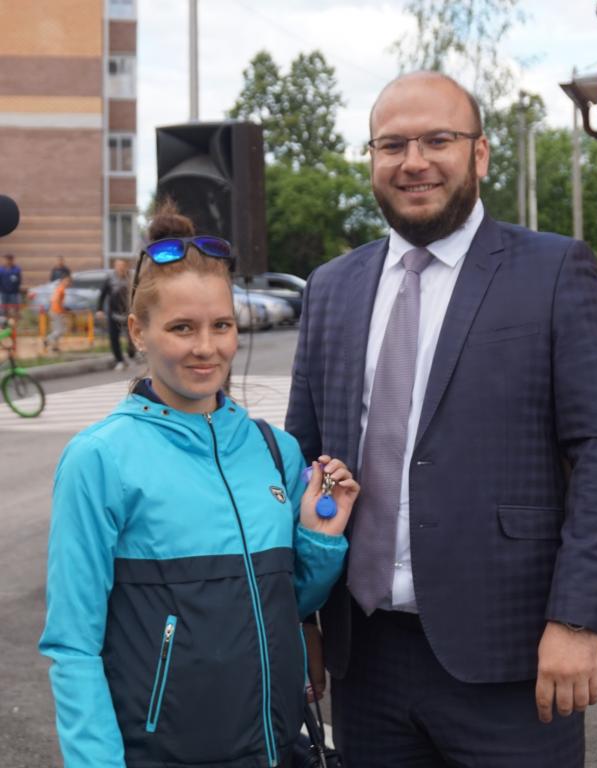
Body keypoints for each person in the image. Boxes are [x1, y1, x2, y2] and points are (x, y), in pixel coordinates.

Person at [285, 71, 597, 767]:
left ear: (479, 154)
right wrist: (297, 614)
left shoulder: (553, 272)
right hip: (364, 660)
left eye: (437, 140)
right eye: (392, 145)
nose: (413, 161)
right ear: (372, 158)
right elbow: (301, 459)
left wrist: (578, 618)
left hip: (512, 658)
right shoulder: (331, 287)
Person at [39, 201, 359, 768]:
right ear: (138, 331)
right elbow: (73, 643)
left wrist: (319, 540)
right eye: (182, 328)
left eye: (221, 326)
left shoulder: (274, 449)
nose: (206, 347)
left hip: (276, 749)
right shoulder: (99, 459)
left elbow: (286, 604)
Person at [98, 258, 135, 370]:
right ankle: (119, 360)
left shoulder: (132, 278)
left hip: (129, 313)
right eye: (118, 265)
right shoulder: (110, 279)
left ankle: (131, 353)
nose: (120, 268)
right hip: (114, 313)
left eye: (122, 265)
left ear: (126, 266)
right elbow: (103, 294)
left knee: (132, 336)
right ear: (114, 267)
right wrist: (100, 309)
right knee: (114, 337)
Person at [44, 273, 71, 352]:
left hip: (53, 310)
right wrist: (62, 309)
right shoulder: (61, 289)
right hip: (56, 311)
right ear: (62, 281)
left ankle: (54, 347)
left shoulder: (58, 288)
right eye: (67, 281)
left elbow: (51, 299)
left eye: (69, 281)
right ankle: (47, 339)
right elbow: (57, 299)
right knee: (60, 331)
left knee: (56, 330)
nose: (68, 283)